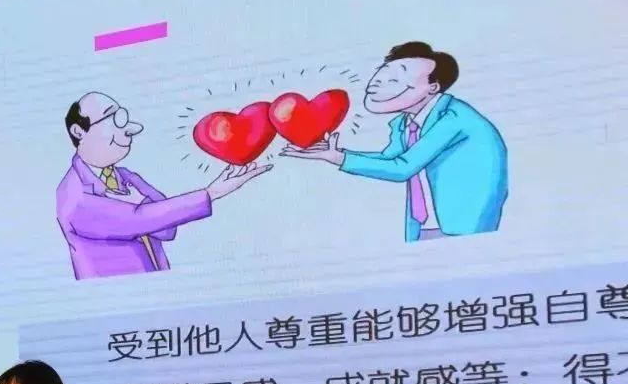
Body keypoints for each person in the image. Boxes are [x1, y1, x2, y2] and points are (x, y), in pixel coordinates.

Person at [281, 41, 508, 243]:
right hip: (424, 227)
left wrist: (340, 158)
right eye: (381, 75)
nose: (376, 84)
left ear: (433, 87)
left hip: (464, 228)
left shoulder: (454, 118)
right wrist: (338, 154)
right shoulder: (404, 123)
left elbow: (402, 168)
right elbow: (390, 158)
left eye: (394, 79)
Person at [56, 91, 271, 279]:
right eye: (114, 118)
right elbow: (138, 219)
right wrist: (211, 192)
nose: (130, 130)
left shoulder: (126, 176)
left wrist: (146, 207)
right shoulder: (73, 194)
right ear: (78, 132)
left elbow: (167, 230)